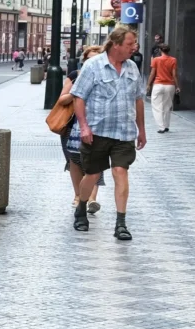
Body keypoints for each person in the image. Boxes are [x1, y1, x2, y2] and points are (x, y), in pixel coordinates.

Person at [71, 26, 146, 239]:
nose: (134, 48)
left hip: (124, 132)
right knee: (92, 175)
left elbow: (138, 99)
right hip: (97, 131)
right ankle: (81, 207)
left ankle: (121, 223)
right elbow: (79, 97)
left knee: (120, 171)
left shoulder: (132, 67)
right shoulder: (93, 66)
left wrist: (141, 129)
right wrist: (84, 126)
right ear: (116, 44)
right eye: (130, 44)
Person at [58, 45, 106, 214]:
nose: (92, 62)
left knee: (96, 161)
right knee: (74, 162)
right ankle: (79, 196)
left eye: (96, 59)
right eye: (88, 59)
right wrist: (77, 91)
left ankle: (91, 199)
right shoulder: (74, 77)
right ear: (84, 61)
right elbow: (62, 100)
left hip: (98, 125)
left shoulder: (107, 77)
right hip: (72, 126)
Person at [147, 43, 178, 133]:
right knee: (167, 106)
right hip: (170, 85)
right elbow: (174, 75)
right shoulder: (173, 60)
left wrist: (148, 84)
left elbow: (152, 73)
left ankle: (161, 127)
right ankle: (167, 125)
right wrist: (177, 86)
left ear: (160, 50)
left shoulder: (156, 60)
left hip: (158, 85)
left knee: (157, 106)